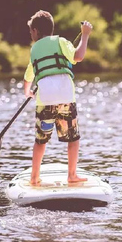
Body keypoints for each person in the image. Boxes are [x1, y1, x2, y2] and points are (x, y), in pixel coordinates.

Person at [23, 10, 92, 185]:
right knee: (73, 138)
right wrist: (85, 36)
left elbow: (29, 75)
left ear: (36, 31)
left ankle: (34, 177)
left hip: (44, 98)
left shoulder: (34, 49)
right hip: (65, 97)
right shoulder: (61, 41)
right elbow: (79, 56)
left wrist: (27, 91)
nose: (30, 34)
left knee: (41, 140)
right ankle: (72, 175)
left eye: (31, 31)